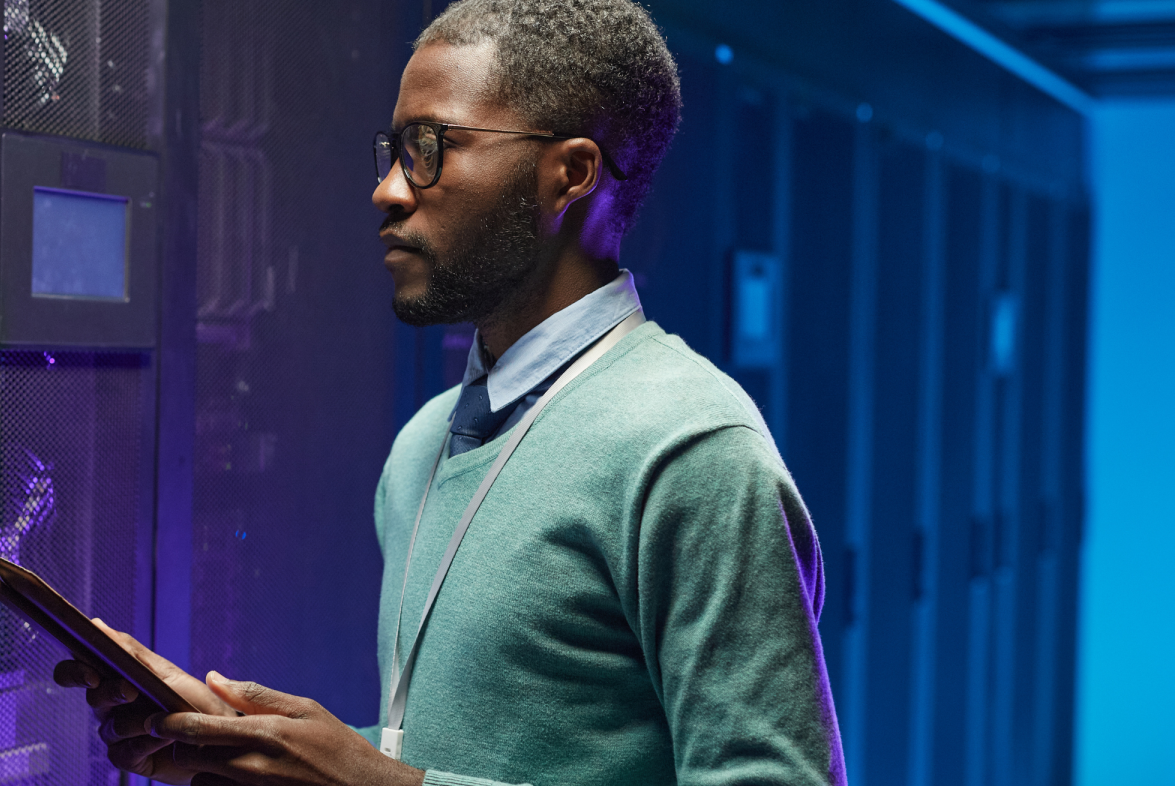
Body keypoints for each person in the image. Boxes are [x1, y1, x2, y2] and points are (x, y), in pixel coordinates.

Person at [53, 1, 847, 784]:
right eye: (394, 151)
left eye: (430, 148)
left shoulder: (689, 451)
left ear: (570, 173)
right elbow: (443, 758)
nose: (390, 191)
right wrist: (243, 749)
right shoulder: (423, 444)